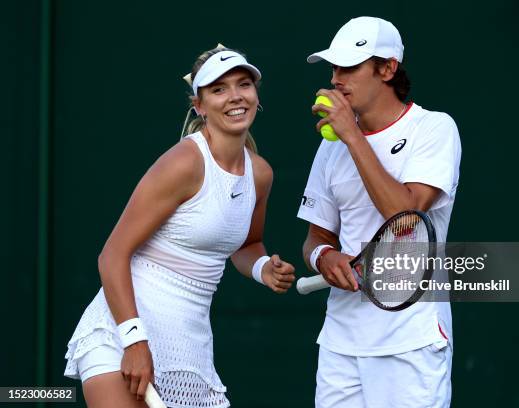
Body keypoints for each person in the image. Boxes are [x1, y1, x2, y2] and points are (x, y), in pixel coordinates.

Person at [64, 44, 295, 408]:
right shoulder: (183, 163)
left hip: (190, 348)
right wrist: (134, 341)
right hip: (121, 335)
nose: (235, 97)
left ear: (256, 94)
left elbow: (247, 245)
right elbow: (112, 255)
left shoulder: (260, 173)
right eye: (219, 89)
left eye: (243, 85)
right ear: (199, 106)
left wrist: (264, 268)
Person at [297, 17, 461, 408]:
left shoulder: (435, 129)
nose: (336, 79)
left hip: (411, 341)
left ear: (387, 68)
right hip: (340, 341)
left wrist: (352, 135)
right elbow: (315, 239)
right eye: (334, 68)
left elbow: (405, 218)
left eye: (349, 68)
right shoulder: (329, 147)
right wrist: (325, 258)